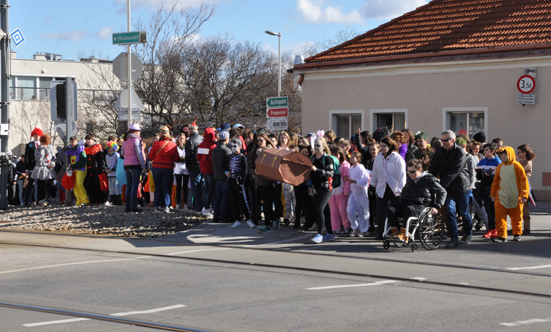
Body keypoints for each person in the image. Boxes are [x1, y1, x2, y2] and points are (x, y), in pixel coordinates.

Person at [429, 130, 472, 248]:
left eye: (446, 140)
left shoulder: (459, 152)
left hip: (461, 186)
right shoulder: (439, 152)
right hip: (448, 189)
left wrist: (441, 185)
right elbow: (433, 168)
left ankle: (468, 233)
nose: (443, 142)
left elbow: (455, 171)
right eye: (442, 140)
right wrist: (428, 180)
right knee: (450, 211)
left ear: (453, 140)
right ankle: (454, 238)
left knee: (464, 213)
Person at [386, 159, 447, 240]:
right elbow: (404, 191)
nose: (410, 174)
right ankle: (396, 230)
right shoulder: (409, 179)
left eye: (413, 172)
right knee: (390, 208)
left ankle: (405, 233)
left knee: (409, 209)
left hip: (422, 205)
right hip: (407, 202)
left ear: (419, 170)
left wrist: (437, 206)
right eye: (409, 172)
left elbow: (442, 192)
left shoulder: (429, 180)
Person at [491, 147, 529, 243]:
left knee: (516, 217)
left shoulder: (517, 166)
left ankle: (517, 234)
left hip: (515, 197)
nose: (503, 156)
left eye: (505, 154)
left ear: (511, 154)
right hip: (501, 197)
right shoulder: (500, 167)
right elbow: (495, 182)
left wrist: (524, 195)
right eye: (502, 154)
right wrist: (492, 195)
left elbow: (523, 181)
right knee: (500, 217)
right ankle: (502, 236)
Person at [371, 137, 406, 240]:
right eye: (380, 146)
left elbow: (402, 175)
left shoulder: (397, 158)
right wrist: (372, 185)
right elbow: (375, 171)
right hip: (382, 187)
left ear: (390, 146)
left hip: (394, 188)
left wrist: (401, 189)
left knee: (393, 211)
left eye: (384, 146)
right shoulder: (379, 157)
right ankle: (380, 232)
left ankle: (395, 230)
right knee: (380, 211)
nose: (382, 148)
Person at [309, 136, 335, 243]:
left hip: (326, 188)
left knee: (319, 209)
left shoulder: (327, 158)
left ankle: (320, 234)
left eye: (318, 145)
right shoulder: (312, 158)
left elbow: (330, 173)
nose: (316, 147)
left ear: (323, 146)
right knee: (325, 210)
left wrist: (317, 170)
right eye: (314, 145)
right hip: (316, 188)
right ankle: (330, 233)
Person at [148, 126, 179, 213]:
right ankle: (166, 206)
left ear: (160, 134)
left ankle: (157, 206)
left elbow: (150, 157)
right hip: (168, 168)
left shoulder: (156, 144)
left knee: (157, 186)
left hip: (156, 168)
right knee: (167, 187)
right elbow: (176, 159)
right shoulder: (173, 145)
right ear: (168, 134)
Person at [252, 134, 276, 233]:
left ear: (266, 141)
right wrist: (254, 172)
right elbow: (250, 167)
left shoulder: (270, 151)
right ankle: (274, 219)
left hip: (268, 181)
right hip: (259, 181)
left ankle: (268, 223)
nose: (259, 142)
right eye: (258, 141)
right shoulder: (255, 152)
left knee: (265, 202)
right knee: (263, 203)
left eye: (261, 140)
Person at [228, 138, 255, 228]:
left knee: (243, 201)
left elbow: (245, 171)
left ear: (240, 147)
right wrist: (225, 171)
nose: (233, 148)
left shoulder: (242, 157)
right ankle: (237, 219)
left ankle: (248, 219)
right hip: (231, 181)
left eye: (235, 146)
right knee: (234, 201)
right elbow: (223, 164)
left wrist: (242, 182)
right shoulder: (230, 156)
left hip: (239, 182)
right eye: (232, 146)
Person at [477, 143, 501, 238]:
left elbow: (498, 176)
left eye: (487, 150)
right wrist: (479, 174)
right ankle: (490, 228)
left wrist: (489, 176)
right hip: (483, 187)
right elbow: (478, 175)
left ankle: (495, 228)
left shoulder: (497, 162)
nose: (484, 151)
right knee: (487, 208)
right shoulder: (482, 161)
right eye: (484, 150)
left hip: (492, 188)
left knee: (492, 209)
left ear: (492, 151)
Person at [121, 123, 147, 212]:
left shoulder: (124, 140)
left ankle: (127, 206)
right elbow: (139, 154)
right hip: (135, 165)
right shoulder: (136, 140)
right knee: (134, 187)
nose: (140, 132)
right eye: (139, 131)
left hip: (126, 165)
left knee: (128, 186)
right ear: (135, 131)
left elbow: (122, 153)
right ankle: (133, 206)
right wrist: (143, 166)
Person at [346, 151, 371, 237]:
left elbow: (364, 181)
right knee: (349, 210)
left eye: (353, 157)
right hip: (353, 192)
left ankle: (363, 229)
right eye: (351, 157)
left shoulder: (361, 168)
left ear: (358, 159)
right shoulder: (350, 168)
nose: (351, 158)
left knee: (363, 211)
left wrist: (355, 181)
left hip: (361, 192)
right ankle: (355, 227)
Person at [328, 146, 351, 236]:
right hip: (332, 192)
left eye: (337, 155)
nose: (336, 157)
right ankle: (336, 228)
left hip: (341, 192)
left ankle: (347, 227)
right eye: (334, 155)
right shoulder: (330, 166)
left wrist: (346, 191)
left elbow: (347, 180)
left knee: (343, 210)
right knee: (334, 211)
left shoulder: (345, 166)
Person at [212, 130, 232, 223]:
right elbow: (228, 164)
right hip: (225, 176)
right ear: (227, 139)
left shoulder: (214, 150)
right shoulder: (227, 150)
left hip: (216, 175)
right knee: (225, 197)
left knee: (218, 196)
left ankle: (216, 216)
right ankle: (223, 216)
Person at [31, 134, 57, 205]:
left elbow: (53, 158)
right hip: (40, 168)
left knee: (51, 183)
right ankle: (41, 199)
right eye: (42, 143)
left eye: (45, 143)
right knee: (40, 185)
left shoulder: (50, 148)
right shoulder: (38, 149)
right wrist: (42, 149)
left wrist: (52, 163)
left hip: (48, 168)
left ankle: (53, 197)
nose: (44, 144)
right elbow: (38, 158)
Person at [516, 144, 536, 233]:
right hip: (518, 186)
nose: (517, 154)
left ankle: (527, 228)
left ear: (524, 153)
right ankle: (516, 227)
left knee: (525, 209)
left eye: (519, 152)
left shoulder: (527, 162)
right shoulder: (520, 162)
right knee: (517, 208)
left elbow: (520, 172)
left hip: (524, 186)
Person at [185, 119, 204, 213]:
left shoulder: (190, 140)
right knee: (202, 186)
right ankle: (202, 204)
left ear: (190, 131)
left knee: (195, 187)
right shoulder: (201, 138)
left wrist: (187, 165)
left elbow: (188, 155)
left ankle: (197, 205)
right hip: (202, 165)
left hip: (194, 166)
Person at [197, 127, 217, 214]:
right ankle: (207, 206)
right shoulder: (212, 146)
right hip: (210, 169)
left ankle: (205, 206)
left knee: (207, 188)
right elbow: (213, 160)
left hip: (203, 168)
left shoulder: (201, 145)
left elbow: (198, 157)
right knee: (211, 188)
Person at [65, 136, 89, 206]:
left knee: (79, 183)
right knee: (74, 185)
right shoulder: (69, 150)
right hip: (74, 169)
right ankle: (78, 201)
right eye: (71, 142)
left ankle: (85, 200)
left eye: (74, 142)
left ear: (77, 141)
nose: (73, 143)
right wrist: (70, 167)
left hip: (81, 169)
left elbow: (84, 160)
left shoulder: (81, 149)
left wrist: (74, 165)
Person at [295, 145, 314, 229]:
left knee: (306, 204)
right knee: (298, 203)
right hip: (298, 184)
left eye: (306, 152)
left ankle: (307, 222)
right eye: (303, 152)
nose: (305, 154)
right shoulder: (297, 161)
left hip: (306, 185)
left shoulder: (310, 161)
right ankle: (297, 221)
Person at [83, 133, 106, 205]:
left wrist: (101, 169)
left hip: (97, 170)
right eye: (86, 140)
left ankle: (101, 200)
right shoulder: (85, 149)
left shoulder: (98, 148)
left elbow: (101, 159)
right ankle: (92, 200)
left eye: (89, 139)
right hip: (89, 170)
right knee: (90, 186)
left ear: (93, 140)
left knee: (98, 185)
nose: (88, 141)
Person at [279, 131, 295, 225]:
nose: (283, 139)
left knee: (293, 198)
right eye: (281, 138)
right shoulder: (278, 150)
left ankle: (294, 216)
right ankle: (286, 217)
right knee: (285, 199)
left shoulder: (291, 150)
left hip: (290, 177)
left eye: (285, 138)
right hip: (281, 177)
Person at [23, 127, 42, 206]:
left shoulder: (42, 144)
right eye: (35, 135)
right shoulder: (29, 145)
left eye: (38, 135)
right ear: (33, 136)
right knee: (30, 184)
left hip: (40, 168)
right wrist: (26, 169)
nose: (36, 136)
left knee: (40, 185)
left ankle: (40, 200)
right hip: (31, 168)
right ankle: (26, 201)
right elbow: (27, 157)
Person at [174, 133, 189, 209]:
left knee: (185, 186)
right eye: (180, 138)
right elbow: (175, 157)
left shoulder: (187, 148)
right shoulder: (176, 147)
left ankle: (185, 203)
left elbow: (188, 157)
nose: (181, 140)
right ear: (178, 139)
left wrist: (182, 158)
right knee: (178, 186)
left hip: (186, 168)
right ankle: (178, 203)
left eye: (183, 138)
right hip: (178, 168)